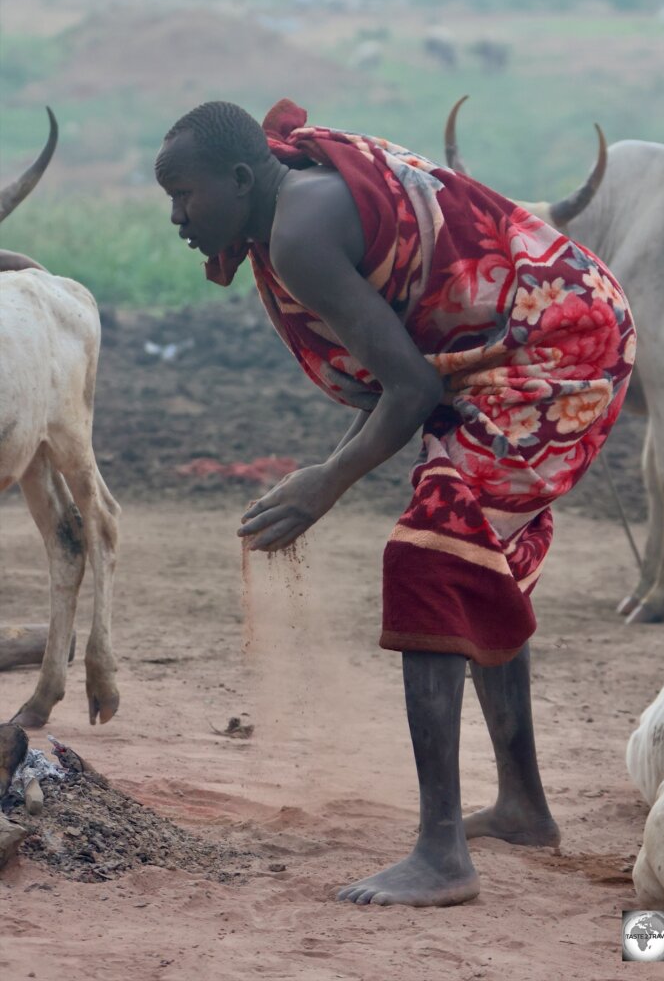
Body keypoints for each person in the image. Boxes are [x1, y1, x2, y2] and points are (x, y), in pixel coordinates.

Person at [155, 99, 635, 908]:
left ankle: (442, 853)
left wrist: (326, 483)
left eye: (185, 196)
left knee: (429, 554)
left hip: (556, 345)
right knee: (470, 557)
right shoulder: (293, 204)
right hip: (542, 328)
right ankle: (522, 808)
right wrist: (329, 469)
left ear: (241, 180)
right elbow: (411, 369)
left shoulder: (300, 232)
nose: (175, 218)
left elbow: (410, 385)